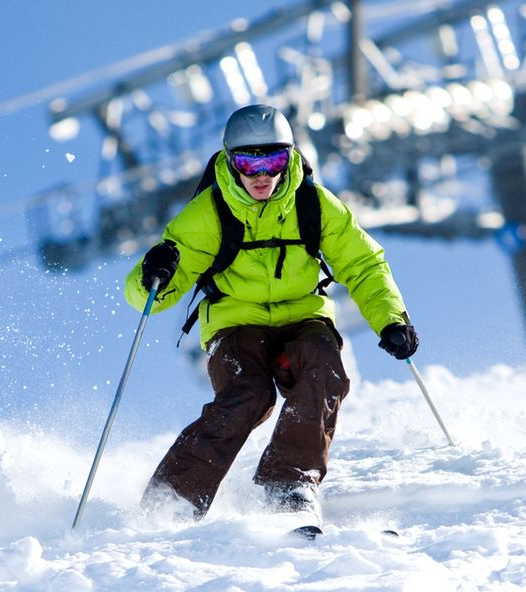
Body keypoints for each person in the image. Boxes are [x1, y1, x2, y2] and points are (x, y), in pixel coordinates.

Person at [123, 103, 418, 521]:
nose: (261, 176)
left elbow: (363, 263)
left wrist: (391, 319)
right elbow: (147, 297)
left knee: (324, 370)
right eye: (247, 163)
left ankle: (289, 483)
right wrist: (155, 272)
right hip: (234, 321)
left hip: (302, 316)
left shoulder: (313, 204)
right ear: (230, 161)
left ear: (289, 158)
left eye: (274, 161)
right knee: (249, 394)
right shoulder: (209, 213)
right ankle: (173, 498)